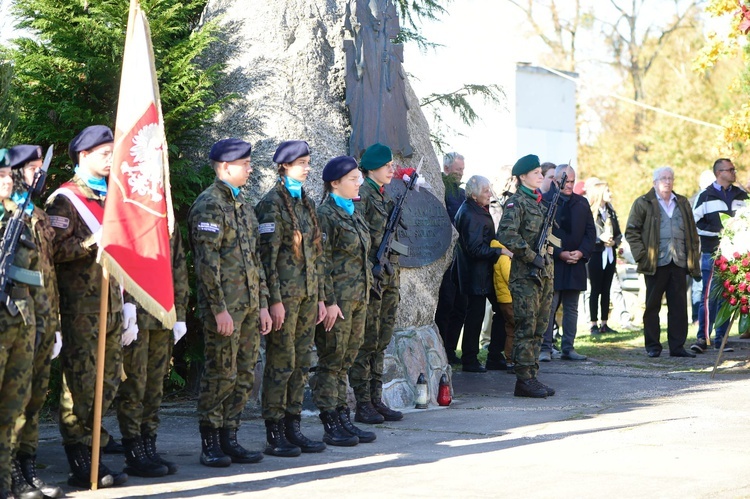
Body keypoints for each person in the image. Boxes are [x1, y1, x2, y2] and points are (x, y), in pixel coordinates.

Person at [45, 125, 130, 488]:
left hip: (110, 305)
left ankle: (94, 446)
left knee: (108, 382)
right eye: (104, 153)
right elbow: (53, 252)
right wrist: (92, 242)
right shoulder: (64, 200)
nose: (112, 158)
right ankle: (80, 459)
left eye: (113, 152)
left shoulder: (112, 196)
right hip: (80, 309)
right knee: (79, 385)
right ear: (84, 156)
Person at [188, 138, 272, 467]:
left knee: (244, 373)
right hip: (224, 309)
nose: (250, 168)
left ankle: (230, 437)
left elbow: (256, 261)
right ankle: (211, 441)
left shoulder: (243, 205)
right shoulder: (209, 205)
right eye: (244, 163)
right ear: (225, 167)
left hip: (250, 307)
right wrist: (219, 309)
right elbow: (207, 266)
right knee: (221, 373)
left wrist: (263, 304)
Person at [255, 140, 327, 457]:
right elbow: (266, 260)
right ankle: (275, 430)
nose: (307, 168)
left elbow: (316, 257)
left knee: (300, 365)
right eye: (302, 163)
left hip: (308, 297)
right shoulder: (271, 205)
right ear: (284, 166)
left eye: (309, 162)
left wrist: (321, 298)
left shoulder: (305, 203)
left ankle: (292, 426)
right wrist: (273, 300)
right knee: (281, 365)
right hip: (284, 298)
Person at [7, 146, 63, 499]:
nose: (39, 174)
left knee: (34, 397)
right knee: (13, 400)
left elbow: (49, 272)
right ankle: (10, 472)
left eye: (41, 167)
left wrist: (54, 322)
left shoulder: (38, 215)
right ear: (15, 173)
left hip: (42, 319)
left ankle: (27, 468)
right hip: (16, 319)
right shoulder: (10, 215)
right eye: (32, 168)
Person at [115, 229, 189, 477]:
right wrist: (125, 306)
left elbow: (178, 265)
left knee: (155, 387)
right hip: (136, 313)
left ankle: (148, 445)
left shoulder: (164, 214)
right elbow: (119, 259)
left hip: (163, 313)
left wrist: (180, 312)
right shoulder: (133, 209)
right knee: (135, 386)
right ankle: (134, 450)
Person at [314, 155, 374, 447]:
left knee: (346, 361)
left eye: (358, 178)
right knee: (332, 361)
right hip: (337, 302)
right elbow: (321, 261)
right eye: (353, 179)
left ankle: (343, 417)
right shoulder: (326, 214)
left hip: (357, 300)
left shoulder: (353, 211)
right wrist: (329, 300)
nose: (358, 182)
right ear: (335, 183)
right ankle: (330, 421)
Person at [0, 149, 44, 499]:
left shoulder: (21, 216)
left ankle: (7, 478)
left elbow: (37, 275)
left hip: (21, 319)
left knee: (14, 406)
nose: (5, 181)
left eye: (5, 174)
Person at [350, 143, 404, 424]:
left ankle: (376, 398)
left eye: (392, 165)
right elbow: (363, 241)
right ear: (371, 169)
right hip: (373, 280)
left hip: (389, 278)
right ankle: (362, 403)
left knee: (382, 340)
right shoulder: (365, 197)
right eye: (387, 166)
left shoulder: (385, 196)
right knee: (366, 341)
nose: (392, 169)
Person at [624, 167, 701, 358]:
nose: (667, 181)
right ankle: (653, 346)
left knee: (679, 307)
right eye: (663, 178)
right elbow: (631, 232)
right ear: (654, 182)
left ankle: (677, 347)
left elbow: (692, 232)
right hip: (655, 262)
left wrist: (692, 257)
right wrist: (642, 255)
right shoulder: (643, 202)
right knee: (652, 306)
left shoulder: (682, 202)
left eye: (670, 178)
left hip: (679, 260)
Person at [497, 154, 556, 398]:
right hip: (525, 276)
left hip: (544, 274)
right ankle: (523, 379)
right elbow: (506, 235)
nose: (540, 175)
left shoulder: (540, 204)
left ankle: (532, 375)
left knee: (539, 327)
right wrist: (532, 257)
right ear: (522, 177)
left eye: (540, 172)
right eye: (535, 173)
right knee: (526, 327)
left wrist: (547, 255)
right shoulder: (517, 203)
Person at [690, 159, 748, 353]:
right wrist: (720, 232)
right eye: (730, 170)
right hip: (712, 254)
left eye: (734, 169)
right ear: (719, 173)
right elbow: (695, 223)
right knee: (709, 297)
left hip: (736, 256)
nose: (734, 172)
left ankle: (721, 339)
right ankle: (702, 338)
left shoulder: (742, 195)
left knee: (728, 297)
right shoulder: (705, 196)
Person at [540, 165, 595, 362]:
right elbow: (542, 236)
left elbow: (590, 232)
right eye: (567, 181)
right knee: (549, 306)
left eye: (573, 181)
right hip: (554, 264)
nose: (570, 185)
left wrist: (581, 252)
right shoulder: (546, 202)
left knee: (572, 308)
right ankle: (545, 347)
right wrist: (560, 254)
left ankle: (568, 347)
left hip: (576, 263)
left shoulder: (581, 202)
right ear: (556, 181)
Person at [453, 175, 505, 372]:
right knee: (475, 316)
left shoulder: (474, 209)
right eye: (485, 191)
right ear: (474, 195)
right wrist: (499, 251)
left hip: (481, 273)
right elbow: (475, 249)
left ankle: (492, 355)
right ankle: (470, 359)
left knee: (498, 310)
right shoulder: (470, 213)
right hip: (475, 274)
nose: (489, 193)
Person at [434, 152, 467, 364]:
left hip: (462, 257)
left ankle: (451, 349)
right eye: (457, 171)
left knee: (460, 306)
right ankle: (443, 347)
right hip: (446, 256)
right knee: (446, 304)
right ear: (446, 169)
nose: (460, 174)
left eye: (462, 170)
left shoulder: (462, 193)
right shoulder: (441, 188)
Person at [586, 178, 623, 335]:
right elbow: (587, 233)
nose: (611, 193)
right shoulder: (591, 212)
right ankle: (593, 323)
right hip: (595, 255)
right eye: (607, 191)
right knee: (595, 290)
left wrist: (614, 242)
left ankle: (604, 323)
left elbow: (619, 233)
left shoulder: (611, 212)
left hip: (609, 254)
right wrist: (599, 239)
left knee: (606, 289)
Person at [490, 239, 515, 373]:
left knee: (511, 329)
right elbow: (509, 278)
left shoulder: (501, 255)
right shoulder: (504, 257)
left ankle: (510, 360)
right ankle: (511, 360)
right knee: (514, 329)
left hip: (505, 298)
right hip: (509, 299)